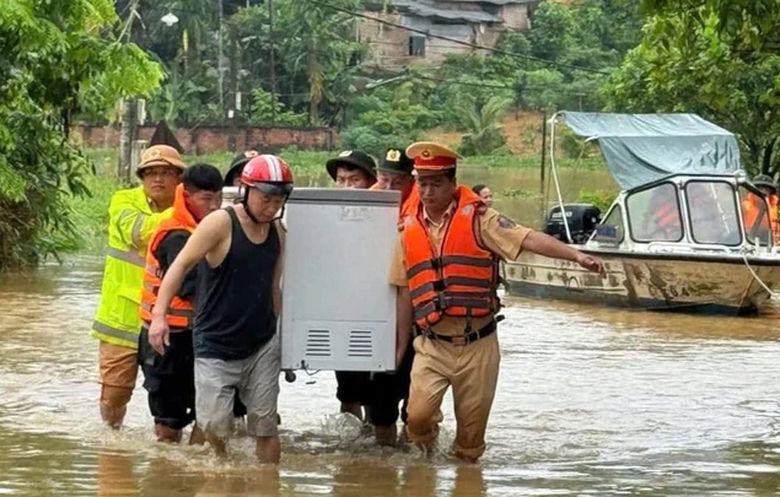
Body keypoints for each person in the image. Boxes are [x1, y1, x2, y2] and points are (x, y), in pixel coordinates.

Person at [390, 142, 605, 461]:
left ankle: (467, 480)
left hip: (479, 343)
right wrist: (399, 344)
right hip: (432, 343)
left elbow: (527, 237)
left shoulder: (481, 220)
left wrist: (575, 255)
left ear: (452, 183)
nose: (428, 191)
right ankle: (423, 475)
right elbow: (405, 290)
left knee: (470, 440)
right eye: (422, 183)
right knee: (417, 419)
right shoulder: (408, 229)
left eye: (436, 183)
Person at [147, 154, 291, 463]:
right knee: (214, 425)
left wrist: (281, 338)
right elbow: (181, 265)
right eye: (265, 198)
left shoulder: (278, 232)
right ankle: (221, 467)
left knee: (266, 426)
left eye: (278, 200)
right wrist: (159, 316)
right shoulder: (219, 224)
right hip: (214, 343)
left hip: (261, 343)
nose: (271, 206)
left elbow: (274, 287)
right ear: (246, 190)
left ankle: (268, 482)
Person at [91, 144, 184, 428]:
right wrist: (186, 213)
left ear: (178, 177)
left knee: (170, 402)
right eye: (150, 173)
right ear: (141, 178)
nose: (157, 179)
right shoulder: (123, 200)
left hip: (170, 322)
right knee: (114, 395)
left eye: (166, 172)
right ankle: (111, 447)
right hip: (123, 322)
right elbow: (140, 231)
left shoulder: (191, 208)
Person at [138, 164, 224, 443]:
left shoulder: (209, 230)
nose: (213, 206)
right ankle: (170, 477)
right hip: (168, 340)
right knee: (169, 423)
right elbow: (194, 291)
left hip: (197, 337)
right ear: (187, 196)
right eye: (206, 199)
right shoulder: (176, 235)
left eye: (218, 199)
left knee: (206, 414)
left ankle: (193, 475)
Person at [367, 148, 418, 446]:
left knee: (418, 409)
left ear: (411, 182)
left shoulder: (424, 213)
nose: (388, 189)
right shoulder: (366, 206)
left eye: (397, 182)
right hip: (380, 321)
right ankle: (383, 471)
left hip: (420, 325)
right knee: (381, 409)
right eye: (384, 179)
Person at [326, 149, 377, 421]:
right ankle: (352, 456)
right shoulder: (326, 222)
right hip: (344, 316)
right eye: (340, 179)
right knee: (348, 393)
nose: (345, 186)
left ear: (372, 181)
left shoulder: (392, 219)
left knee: (382, 398)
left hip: (381, 317)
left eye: (353, 179)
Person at [744, 174, 780, 244]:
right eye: (759, 188)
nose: (763, 191)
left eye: (767, 189)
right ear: (753, 190)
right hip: (748, 243)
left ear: (771, 192)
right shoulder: (744, 207)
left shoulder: (777, 209)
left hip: (771, 245)